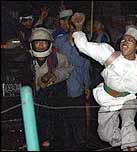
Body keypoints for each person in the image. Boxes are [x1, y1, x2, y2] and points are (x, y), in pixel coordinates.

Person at [71, 12, 137, 151]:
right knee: (105, 135)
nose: (125, 42)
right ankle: (126, 143)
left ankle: (132, 147)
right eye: (124, 39)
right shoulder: (109, 54)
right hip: (108, 98)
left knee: (128, 123)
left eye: (130, 40)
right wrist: (78, 28)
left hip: (129, 98)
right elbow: (84, 46)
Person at [29, 27, 73, 148]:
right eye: (37, 42)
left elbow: (69, 69)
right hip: (32, 99)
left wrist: (55, 75)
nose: (41, 45)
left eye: (44, 42)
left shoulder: (58, 57)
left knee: (57, 125)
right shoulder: (27, 60)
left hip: (53, 99)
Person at [54, 11, 91, 150]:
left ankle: (80, 144)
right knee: (63, 119)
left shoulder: (85, 42)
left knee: (78, 119)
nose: (74, 27)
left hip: (77, 85)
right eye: (72, 24)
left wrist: (87, 85)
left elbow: (86, 65)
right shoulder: (59, 41)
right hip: (61, 84)